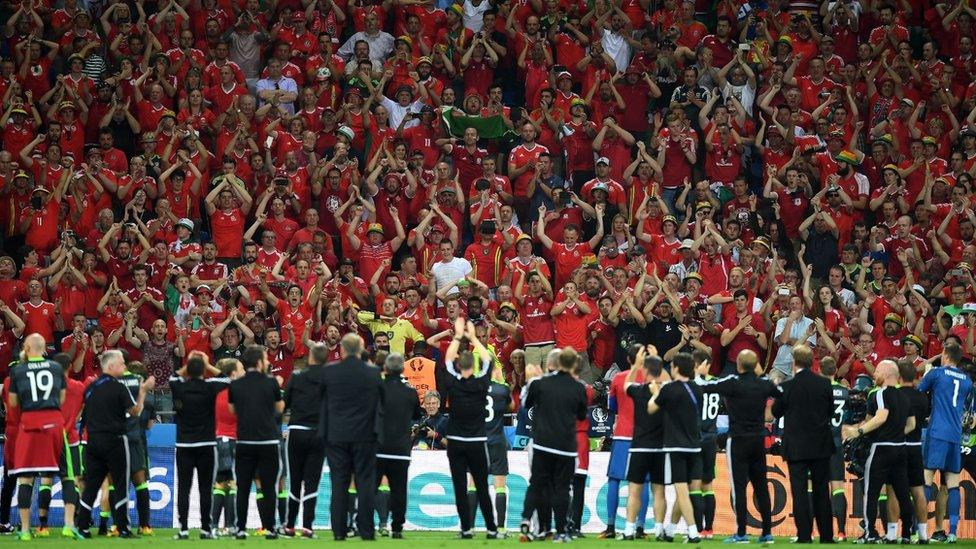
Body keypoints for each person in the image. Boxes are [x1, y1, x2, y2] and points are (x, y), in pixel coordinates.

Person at [700, 349, 778, 544]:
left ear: (739, 365)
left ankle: (741, 533)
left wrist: (699, 372)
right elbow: (782, 394)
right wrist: (772, 412)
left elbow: (706, 386)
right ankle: (767, 533)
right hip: (758, 439)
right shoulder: (764, 384)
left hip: (738, 439)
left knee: (739, 487)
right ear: (755, 366)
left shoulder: (731, 383)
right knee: (761, 486)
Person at [75, 350, 154, 539]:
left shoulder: (91, 387)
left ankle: (83, 528)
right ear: (110, 366)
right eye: (121, 364)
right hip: (115, 442)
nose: (124, 366)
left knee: (92, 487)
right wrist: (142, 391)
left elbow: (81, 415)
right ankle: (123, 528)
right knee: (120, 486)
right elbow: (135, 411)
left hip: (93, 443)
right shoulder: (118, 388)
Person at [518, 347, 588, 543]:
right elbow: (582, 415)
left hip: (542, 443)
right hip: (565, 445)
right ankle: (561, 531)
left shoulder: (542, 383)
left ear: (555, 364)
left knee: (537, 483)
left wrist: (532, 381)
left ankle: (525, 518)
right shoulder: (579, 387)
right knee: (562, 488)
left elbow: (526, 404)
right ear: (573, 364)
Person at [842, 360, 915, 543]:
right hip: (900, 448)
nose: (874, 374)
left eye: (877, 371)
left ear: (887, 373)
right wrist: (896, 434)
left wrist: (858, 431)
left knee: (871, 492)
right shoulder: (906, 396)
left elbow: (881, 417)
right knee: (902, 493)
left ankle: (870, 533)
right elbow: (911, 424)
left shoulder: (881, 393)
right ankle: (904, 534)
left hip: (881, 448)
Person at [318, 333, 383, 541]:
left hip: (336, 436)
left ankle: (338, 531)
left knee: (339, 483)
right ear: (361, 348)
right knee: (365, 483)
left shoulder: (329, 373)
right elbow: (382, 402)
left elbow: (321, 400)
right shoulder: (373, 373)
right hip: (365, 436)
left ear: (343, 350)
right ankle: (366, 531)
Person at [770, 344, 835, 544]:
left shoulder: (787, 386)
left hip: (796, 446)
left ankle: (804, 535)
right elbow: (830, 411)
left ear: (794, 363)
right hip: (820, 444)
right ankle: (826, 536)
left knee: (799, 492)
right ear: (811, 362)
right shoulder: (824, 384)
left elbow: (775, 412)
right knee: (822, 491)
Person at [6, 334, 66, 541]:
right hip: (54, 422)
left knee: (26, 477)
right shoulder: (56, 368)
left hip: (30, 422)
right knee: (62, 474)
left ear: (27, 347)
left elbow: (12, 402)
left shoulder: (18, 370)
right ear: (43, 348)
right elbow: (62, 398)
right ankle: (69, 524)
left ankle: (24, 530)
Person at [443, 318, 499, 539]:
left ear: (459, 366)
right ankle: (492, 529)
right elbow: (489, 361)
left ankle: (466, 528)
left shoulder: (453, 384)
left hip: (456, 442)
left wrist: (458, 335)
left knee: (459, 487)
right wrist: (474, 337)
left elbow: (448, 359)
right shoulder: (481, 383)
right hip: (476, 442)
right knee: (482, 488)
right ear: (473, 366)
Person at [917, 341, 974, 543]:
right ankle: (952, 532)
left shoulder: (936, 373)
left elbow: (917, 393)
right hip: (955, 435)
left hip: (937, 432)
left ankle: (920, 532)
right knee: (952, 484)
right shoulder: (967, 380)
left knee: (926, 479)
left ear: (945, 355)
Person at [169, 351, 227, 539]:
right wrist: (207, 364)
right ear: (204, 371)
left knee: (183, 488)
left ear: (188, 372)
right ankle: (205, 529)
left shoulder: (180, 388)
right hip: (207, 444)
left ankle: (183, 529)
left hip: (184, 445)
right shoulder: (210, 387)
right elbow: (227, 380)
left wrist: (189, 364)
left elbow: (173, 376)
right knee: (205, 488)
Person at [228, 345, 284, 539]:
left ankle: (241, 528)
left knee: (243, 487)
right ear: (259, 362)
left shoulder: (235, 385)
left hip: (244, 441)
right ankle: (270, 528)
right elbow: (279, 408)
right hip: (268, 442)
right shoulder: (271, 383)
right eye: (266, 359)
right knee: (269, 488)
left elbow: (232, 410)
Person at [646, 352, 702, 543]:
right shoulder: (697, 389)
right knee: (684, 490)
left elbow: (651, 408)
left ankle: (693, 531)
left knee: (681, 491)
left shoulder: (669, 389)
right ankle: (670, 530)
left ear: (676, 368)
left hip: (676, 446)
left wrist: (655, 394)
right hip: (694, 446)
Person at [621, 345, 670, 541]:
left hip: (640, 446)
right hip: (660, 448)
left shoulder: (640, 391)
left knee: (634, 491)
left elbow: (626, 384)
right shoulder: (666, 392)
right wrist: (657, 359)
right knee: (659, 492)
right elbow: (668, 379)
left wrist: (637, 365)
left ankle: (628, 530)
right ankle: (659, 530)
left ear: (645, 371)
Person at [282, 341, 329, 538]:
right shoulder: (330, 379)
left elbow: (285, 404)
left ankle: (289, 526)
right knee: (312, 481)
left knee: (294, 481)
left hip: (297, 431)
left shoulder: (297, 376)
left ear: (310, 356)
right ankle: (308, 527)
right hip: (319, 433)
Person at [375, 352, 422, 538]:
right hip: (401, 449)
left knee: (371, 486)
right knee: (399, 490)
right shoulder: (410, 392)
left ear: (386, 368)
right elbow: (417, 416)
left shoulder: (379, 388)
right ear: (402, 369)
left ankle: (363, 523)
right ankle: (397, 528)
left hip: (379, 447)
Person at [896, 358, 930, 544]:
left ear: (899, 376)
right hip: (916, 447)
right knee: (918, 490)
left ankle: (895, 533)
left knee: (894, 491)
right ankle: (923, 534)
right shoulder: (922, 397)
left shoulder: (894, 395)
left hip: (898, 446)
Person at [820, 356, 850, 542]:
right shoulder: (845, 391)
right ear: (835, 371)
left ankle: (812, 531)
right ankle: (841, 531)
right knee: (837, 487)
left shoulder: (816, 391)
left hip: (818, 444)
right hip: (837, 443)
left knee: (812, 487)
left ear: (820, 371)